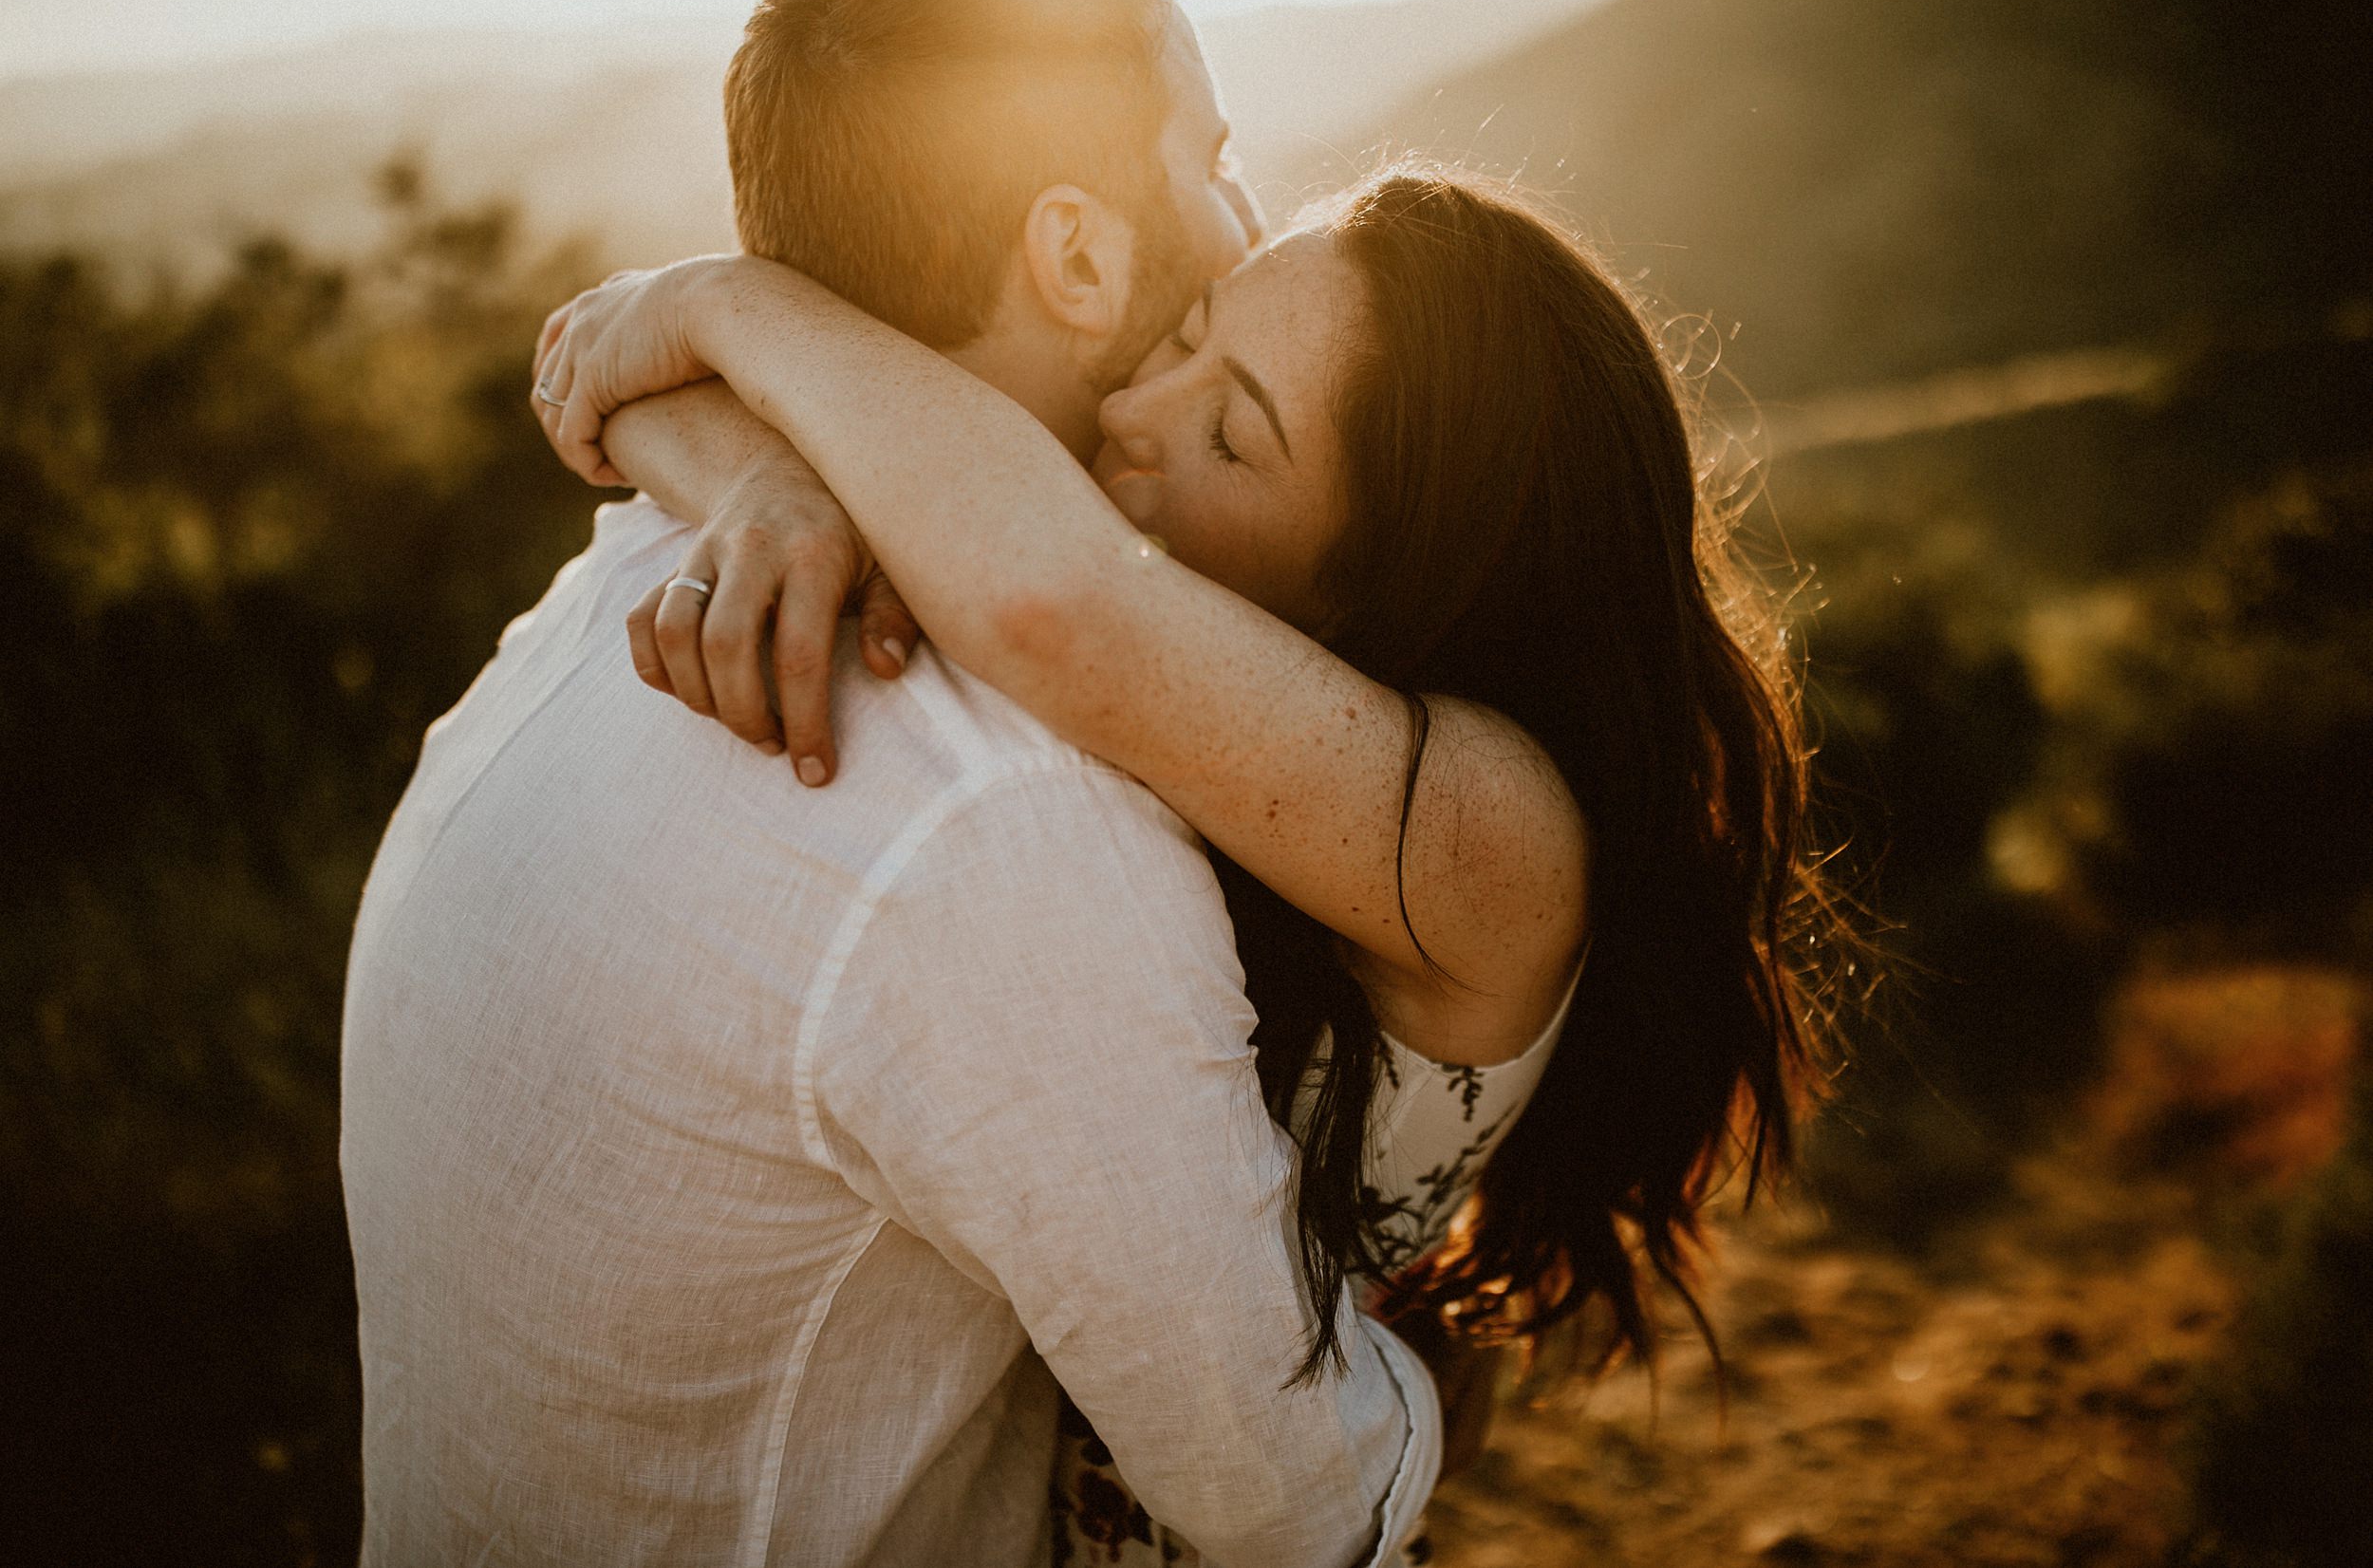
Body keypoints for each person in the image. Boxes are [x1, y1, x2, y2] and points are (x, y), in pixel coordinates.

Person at [531, 153, 1849, 1568]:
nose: (1127, 409)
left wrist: (722, 300)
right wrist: (776, 488)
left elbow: (1046, 596)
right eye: (1185, 334)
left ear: (1398, 594)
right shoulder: (1220, 728)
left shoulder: (1498, 836)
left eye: (1231, 437)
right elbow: (670, 416)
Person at [340, 0, 1446, 1564]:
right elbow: (1300, 1503)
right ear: (1077, 255)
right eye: (1217, 157)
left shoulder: (615, 578)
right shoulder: (1014, 818)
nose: (1250, 221)